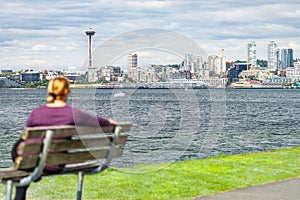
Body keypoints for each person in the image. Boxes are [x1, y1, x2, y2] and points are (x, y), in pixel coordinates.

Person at [12, 76, 118, 200]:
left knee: (20, 144)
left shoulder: (37, 112)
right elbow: (97, 121)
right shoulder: (73, 113)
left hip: (32, 163)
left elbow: (26, 136)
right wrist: (110, 121)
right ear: (66, 91)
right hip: (56, 164)